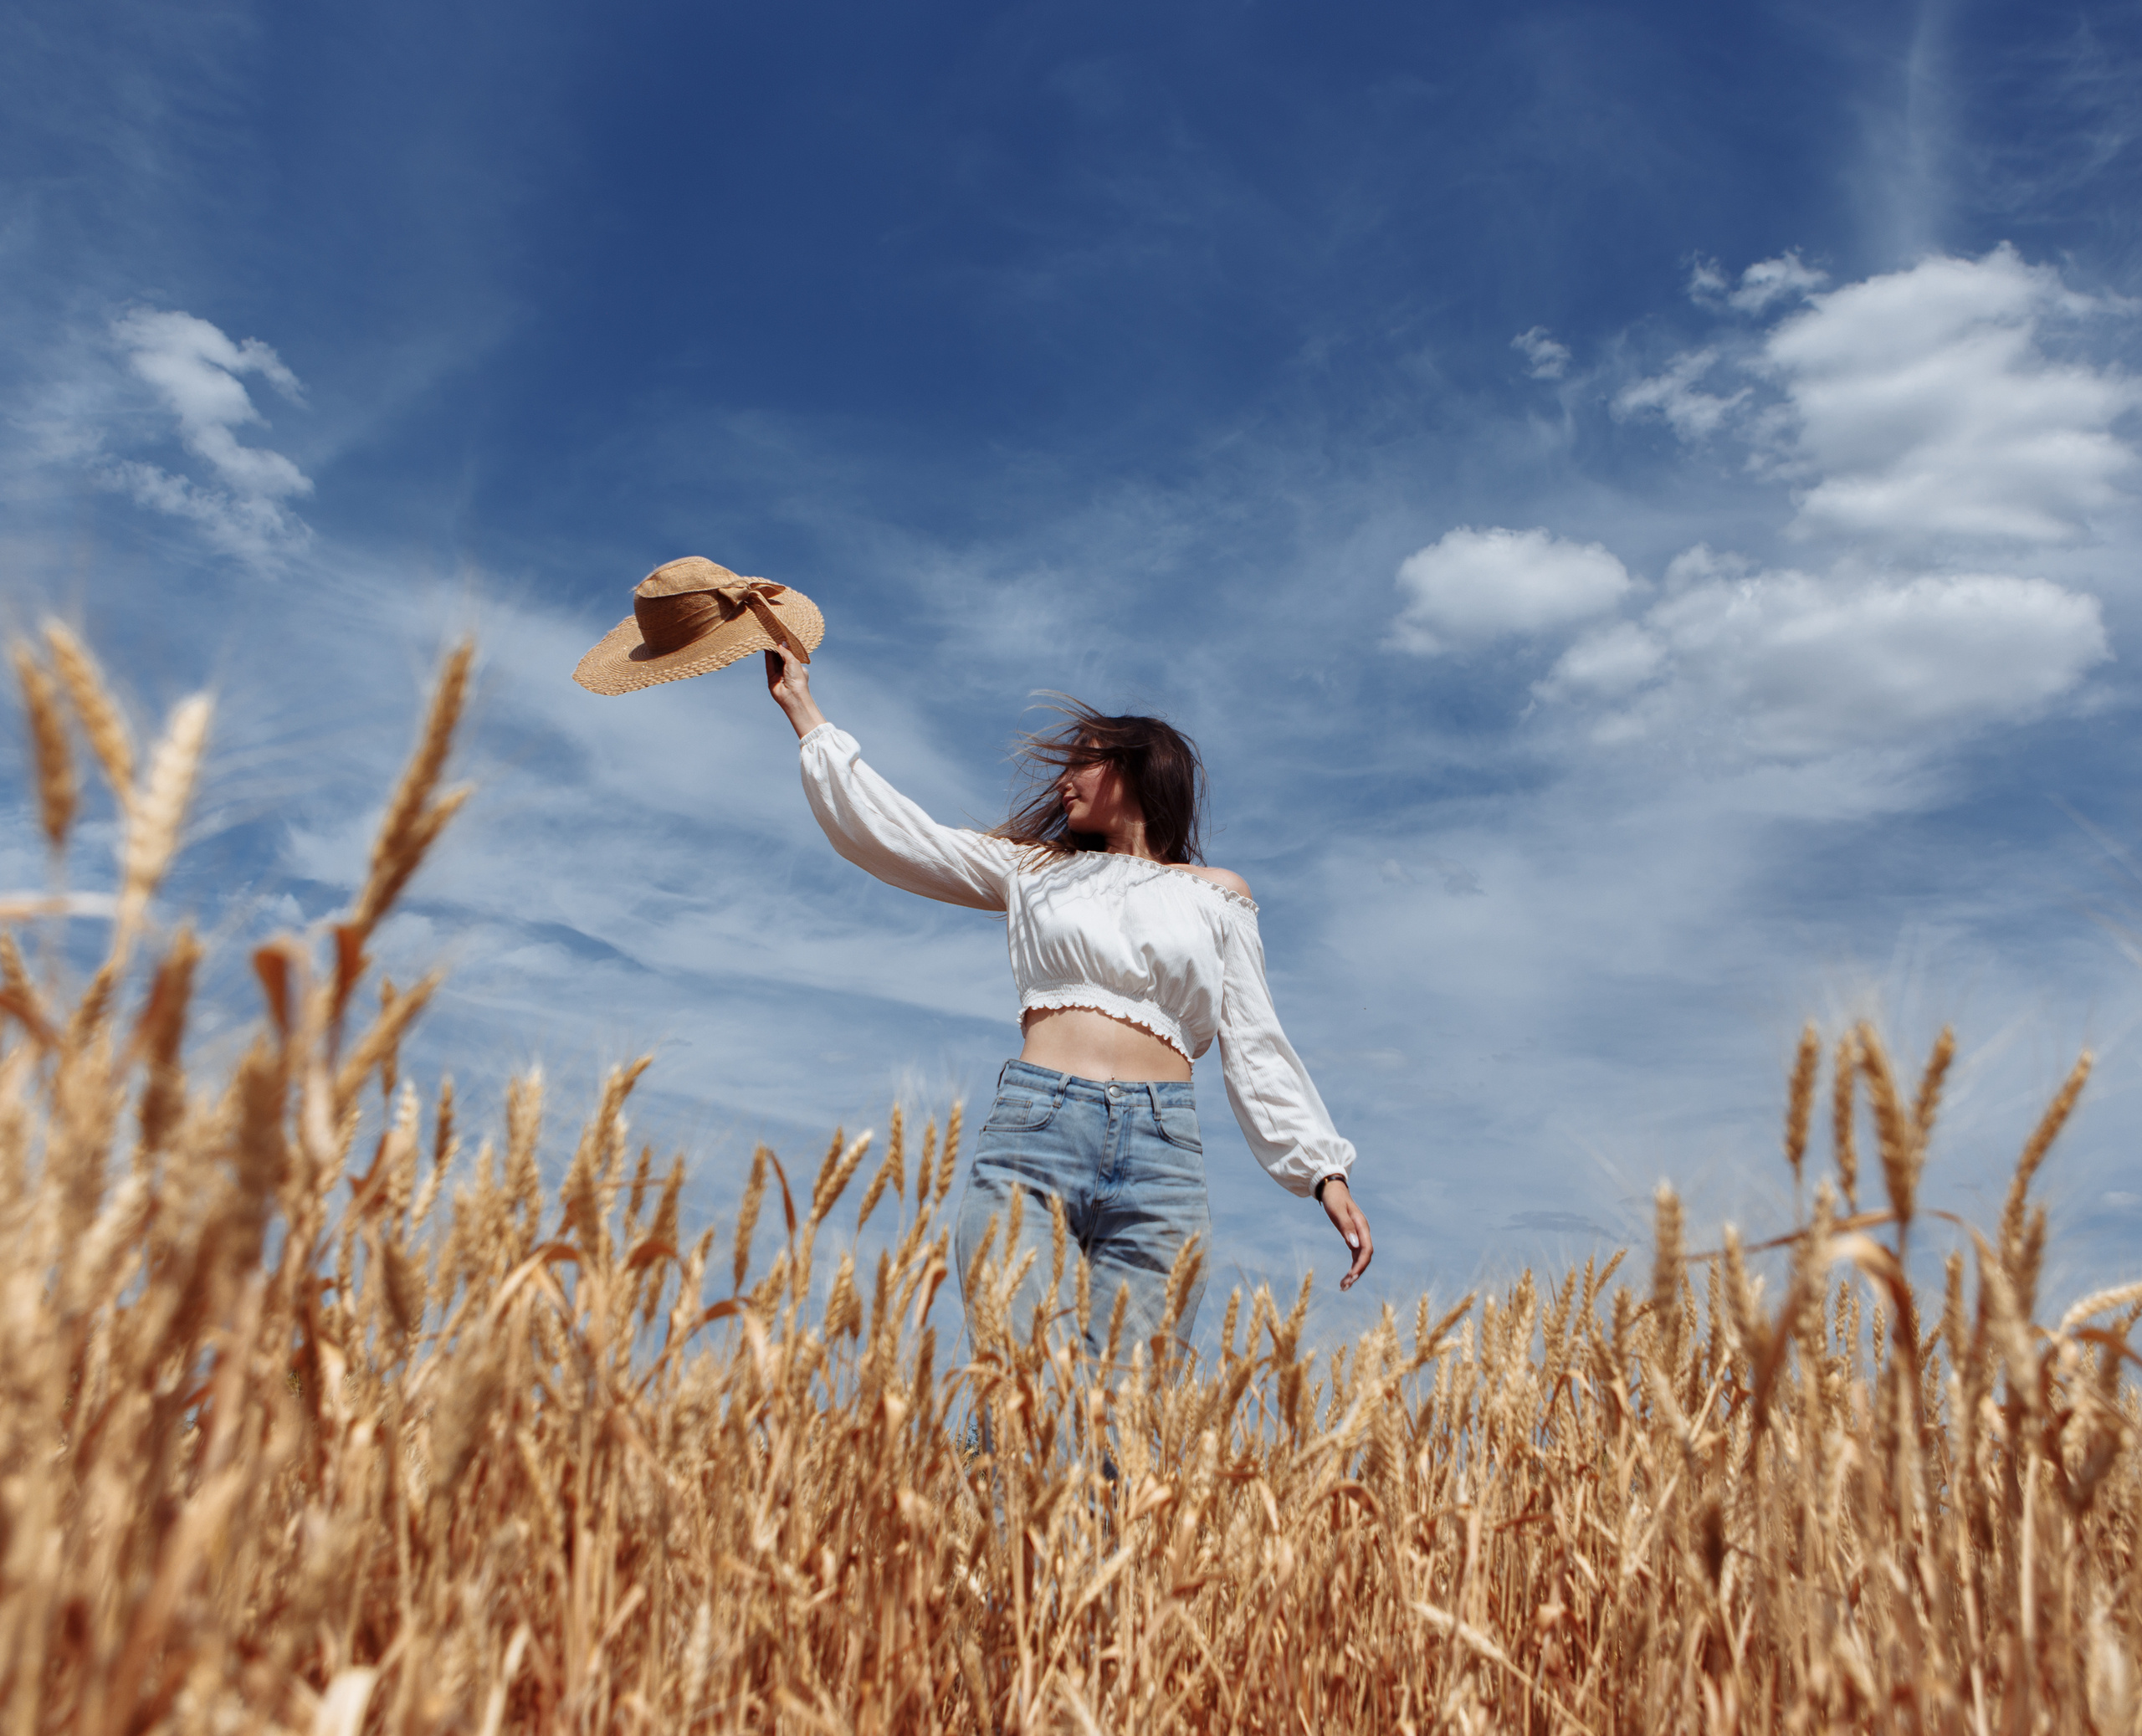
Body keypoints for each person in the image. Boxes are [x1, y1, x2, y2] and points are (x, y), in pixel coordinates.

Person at [765, 647, 1371, 1365]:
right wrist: (804, 709)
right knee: (1020, 1391)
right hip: (1037, 1129)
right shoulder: (1033, 869)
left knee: (1133, 1410)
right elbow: (902, 836)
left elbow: (1256, 1042)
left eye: (1082, 761)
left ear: (1138, 768)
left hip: (1163, 1153)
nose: (1062, 781)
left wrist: (1321, 1171)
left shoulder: (1217, 893)